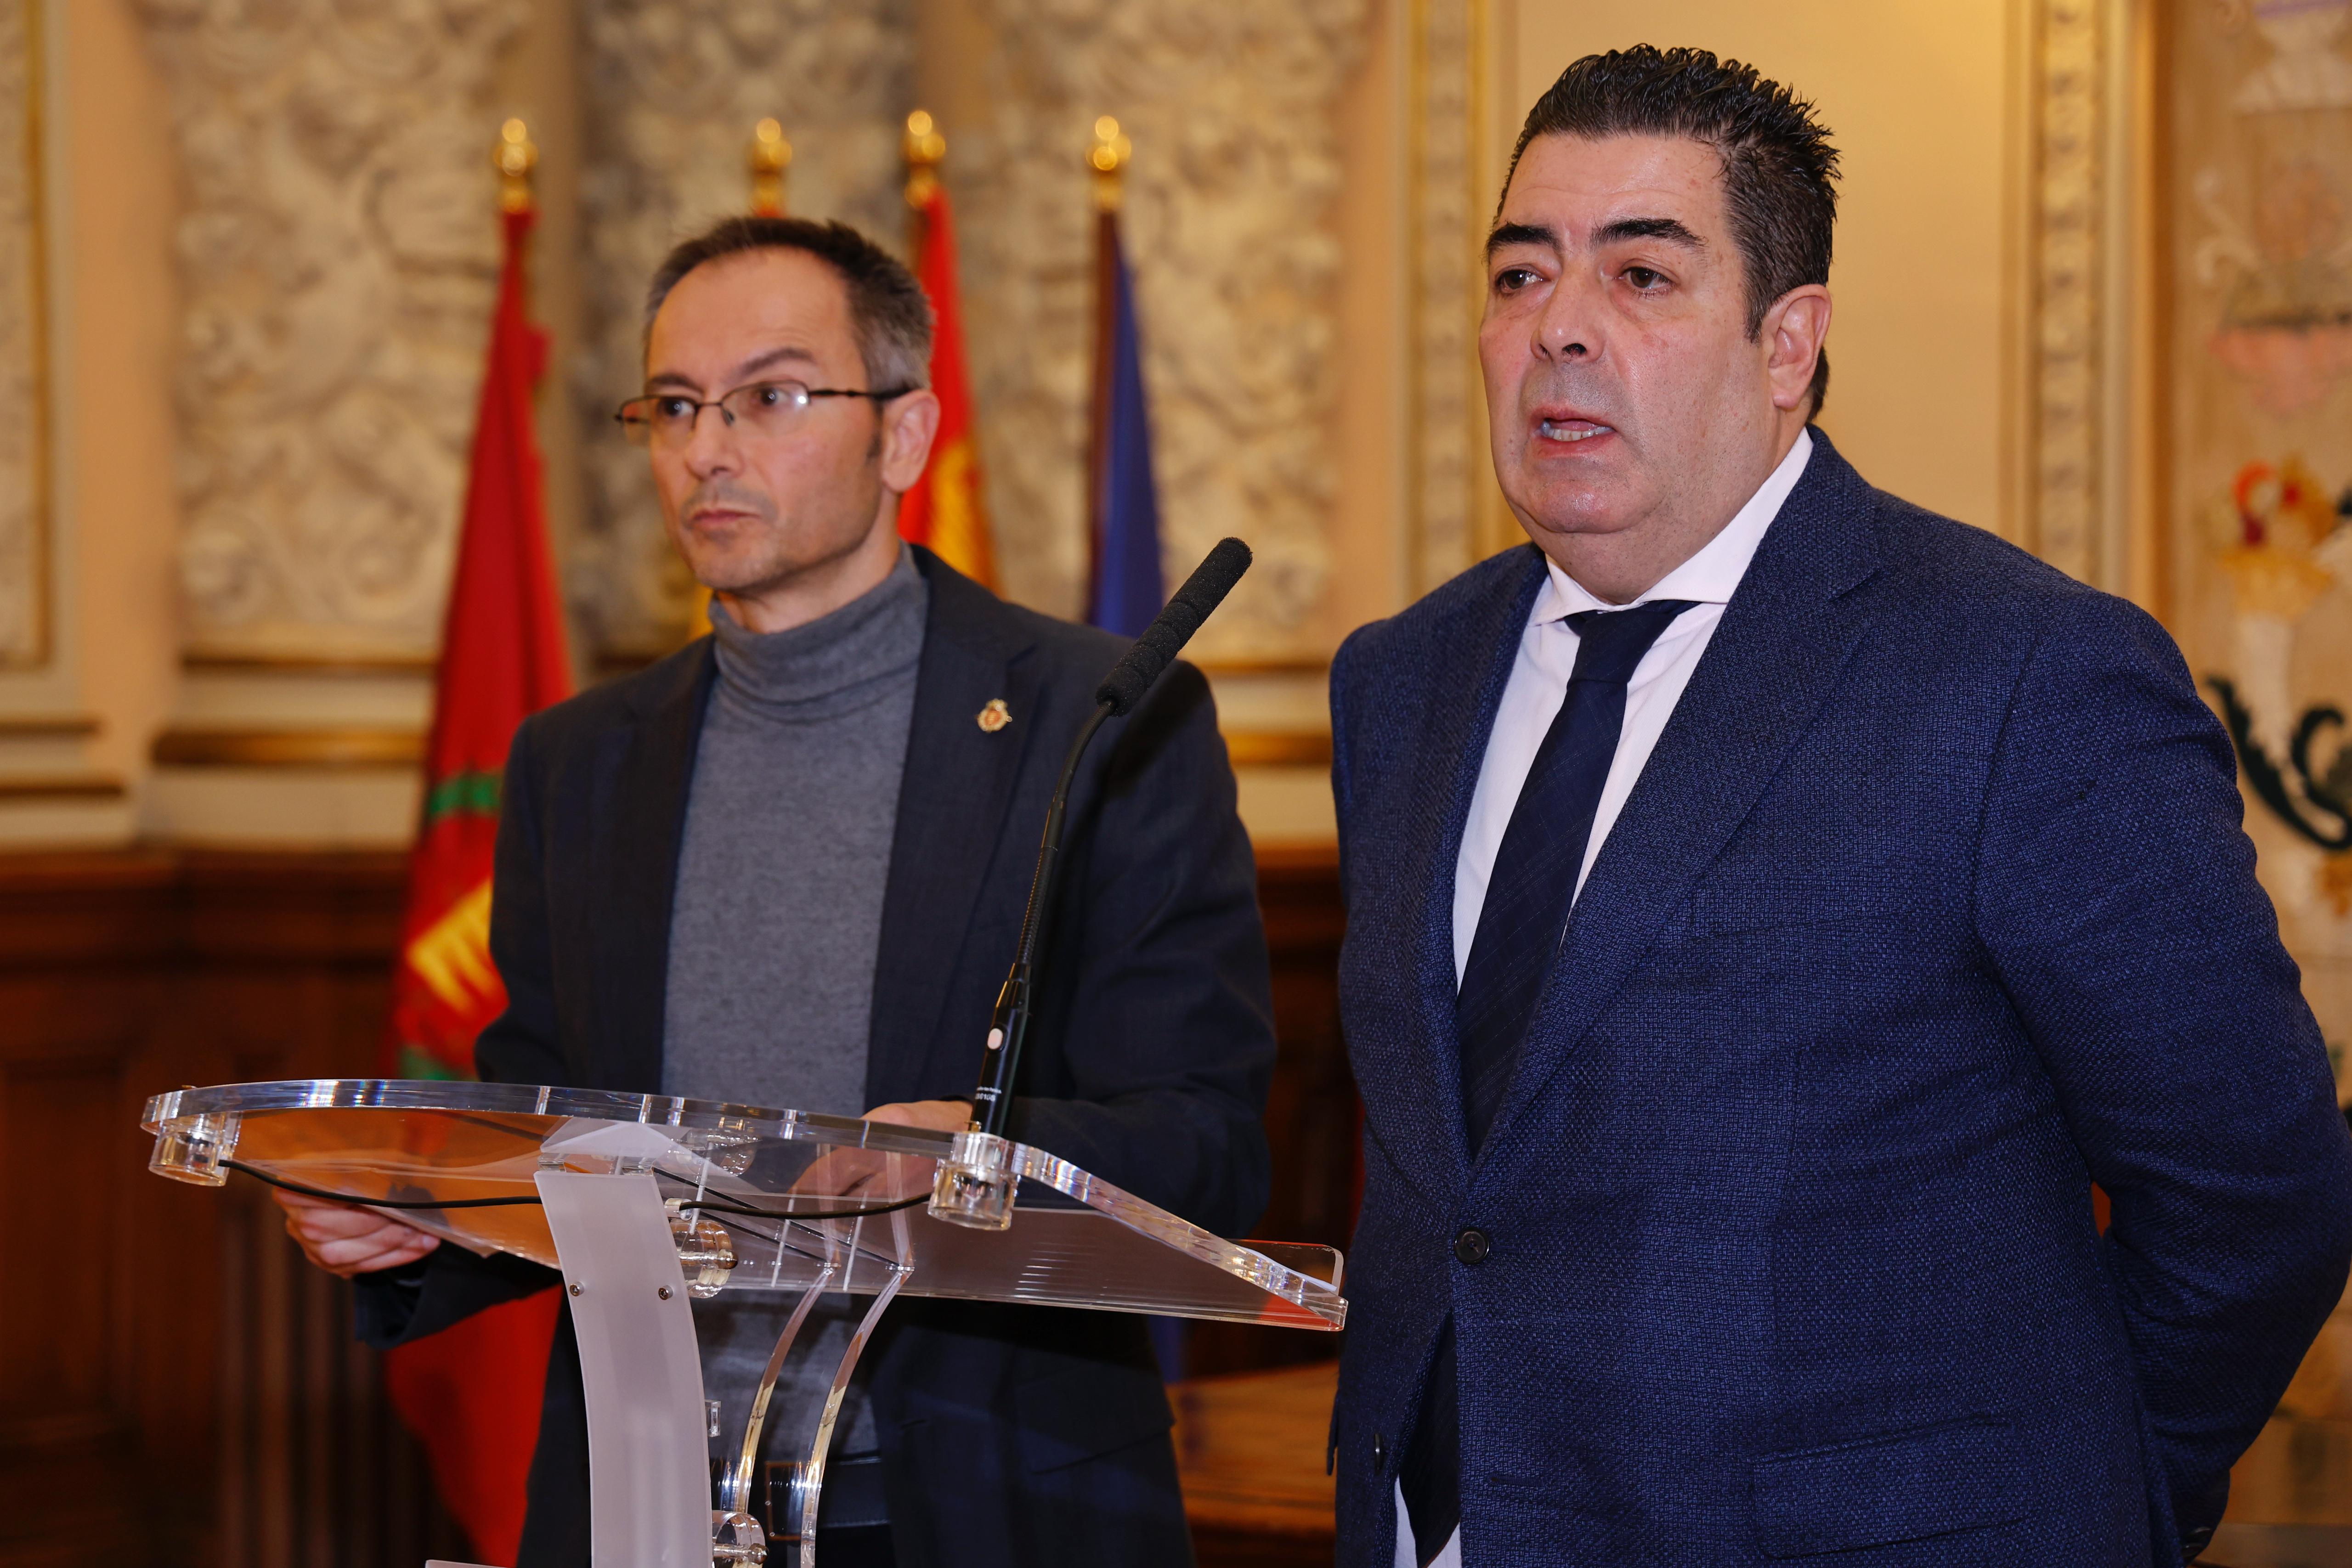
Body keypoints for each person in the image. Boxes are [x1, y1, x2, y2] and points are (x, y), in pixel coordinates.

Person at [1327, 45, 2352, 1568]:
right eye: (1521, 275)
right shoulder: (1402, 679)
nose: (1560, 329)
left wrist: (2082, 1493)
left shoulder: (2021, 676)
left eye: (1642, 276)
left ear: (1788, 344)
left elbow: (2254, 1194)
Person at [279, 214, 1276, 1568]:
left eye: (770, 398)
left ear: (906, 436)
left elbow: (1206, 1144)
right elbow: (551, 1130)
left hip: (984, 1506)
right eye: (676, 406)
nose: (707, 449)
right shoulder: (579, 761)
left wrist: (983, 1160)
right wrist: (419, 1213)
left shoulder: (1098, 722)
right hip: (648, 1504)